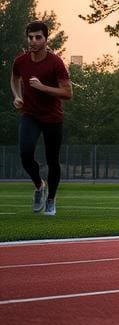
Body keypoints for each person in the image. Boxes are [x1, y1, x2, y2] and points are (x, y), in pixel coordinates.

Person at [10, 20, 72, 216]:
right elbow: (15, 78)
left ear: (46, 39)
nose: (34, 41)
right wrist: (17, 96)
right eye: (30, 37)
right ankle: (39, 186)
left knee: (52, 160)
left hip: (52, 117)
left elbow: (68, 93)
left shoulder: (55, 63)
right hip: (30, 114)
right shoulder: (20, 61)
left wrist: (42, 87)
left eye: (38, 37)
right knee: (25, 154)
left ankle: (51, 200)